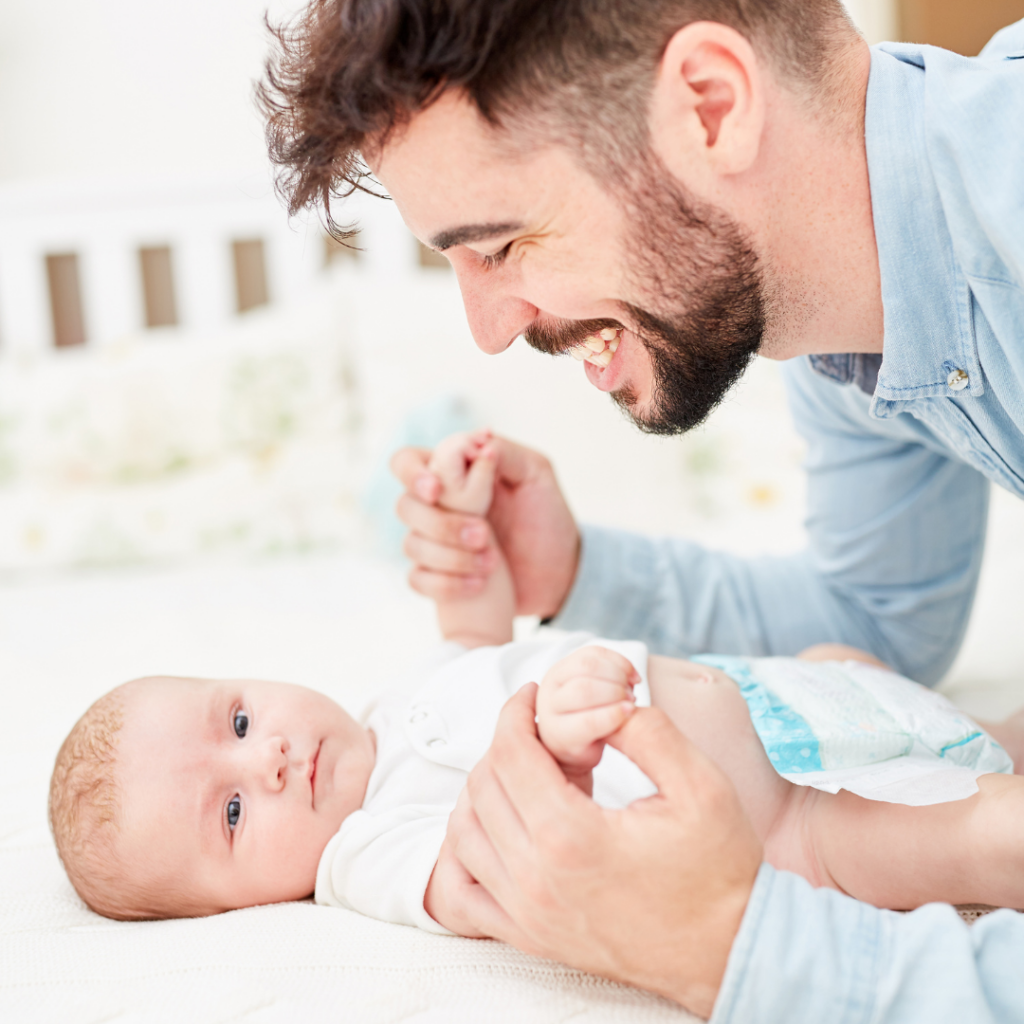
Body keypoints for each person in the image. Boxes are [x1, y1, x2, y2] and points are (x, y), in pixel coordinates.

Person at [258, 0, 1024, 1018]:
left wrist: (723, 945)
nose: (488, 330)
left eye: (501, 244)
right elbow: (878, 622)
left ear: (710, 107)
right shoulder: (844, 320)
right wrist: (571, 572)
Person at [48, 431, 1024, 935]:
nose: (265, 760)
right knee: (872, 840)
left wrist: (473, 550)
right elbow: (487, 873)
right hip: (752, 820)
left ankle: (991, 735)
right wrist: (554, 750)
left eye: (240, 716)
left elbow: (474, 644)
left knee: (852, 675)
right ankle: (988, 847)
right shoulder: (362, 858)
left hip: (767, 700)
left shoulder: (387, 710)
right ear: (236, 911)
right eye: (228, 814)